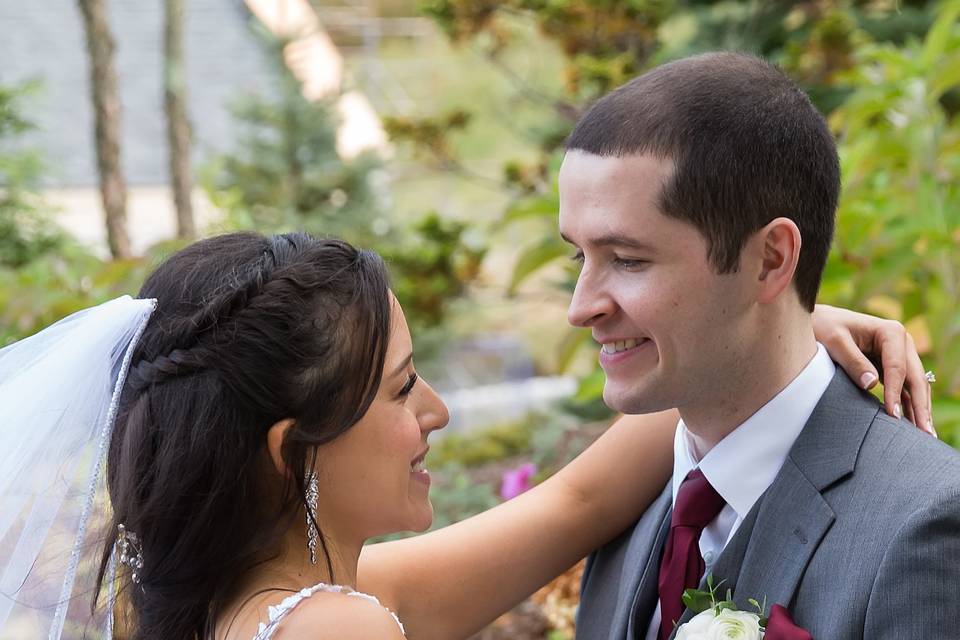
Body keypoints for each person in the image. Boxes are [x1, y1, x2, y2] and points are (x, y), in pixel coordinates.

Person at [0, 231, 932, 640]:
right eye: (404, 389)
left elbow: (578, 500)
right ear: (293, 452)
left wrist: (769, 328)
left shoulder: (234, 601)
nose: (438, 412)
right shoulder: (335, 625)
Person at [560, 52, 960, 640]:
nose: (580, 306)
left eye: (627, 259)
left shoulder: (924, 524)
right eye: (579, 255)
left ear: (770, 259)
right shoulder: (627, 506)